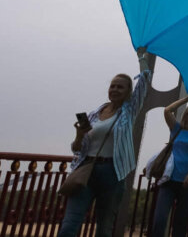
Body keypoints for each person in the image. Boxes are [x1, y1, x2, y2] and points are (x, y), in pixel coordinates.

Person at [59, 50, 152, 237]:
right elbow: (77, 148)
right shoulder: (94, 114)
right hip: (86, 169)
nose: (115, 90)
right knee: (70, 223)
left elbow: (145, 79)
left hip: (112, 172)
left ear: (129, 92)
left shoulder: (129, 111)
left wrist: (142, 57)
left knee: (104, 226)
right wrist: (79, 135)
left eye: (120, 87)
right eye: (113, 86)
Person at [150, 101, 188, 237]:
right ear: (186, 115)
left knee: (181, 222)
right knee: (160, 218)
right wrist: (187, 99)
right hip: (169, 179)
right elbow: (167, 111)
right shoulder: (176, 129)